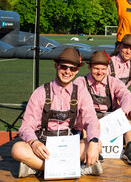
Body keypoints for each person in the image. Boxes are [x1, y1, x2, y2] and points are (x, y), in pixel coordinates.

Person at [11, 48, 102, 177]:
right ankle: (76, 169)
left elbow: (91, 120)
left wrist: (93, 142)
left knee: (98, 144)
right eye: (64, 67)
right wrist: (34, 143)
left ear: (77, 71)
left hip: (70, 145)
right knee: (18, 149)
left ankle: (38, 169)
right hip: (44, 144)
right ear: (56, 66)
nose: (67, 71)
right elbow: (26, 127)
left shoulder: (81, 92)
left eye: (73, 68)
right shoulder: (40, 92)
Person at [74, 50, 131, 165]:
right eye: (96, 69)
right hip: (90, 120)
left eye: (103, 69)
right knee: (83, 119)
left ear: (107, 69)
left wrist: (123, 112)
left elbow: (127, 95)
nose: (100, 72)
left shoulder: (113, 81)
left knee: (129, 120)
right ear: (89, 67)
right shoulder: (80, 82)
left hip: (110, 119)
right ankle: (91, 148)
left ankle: (130, 146)